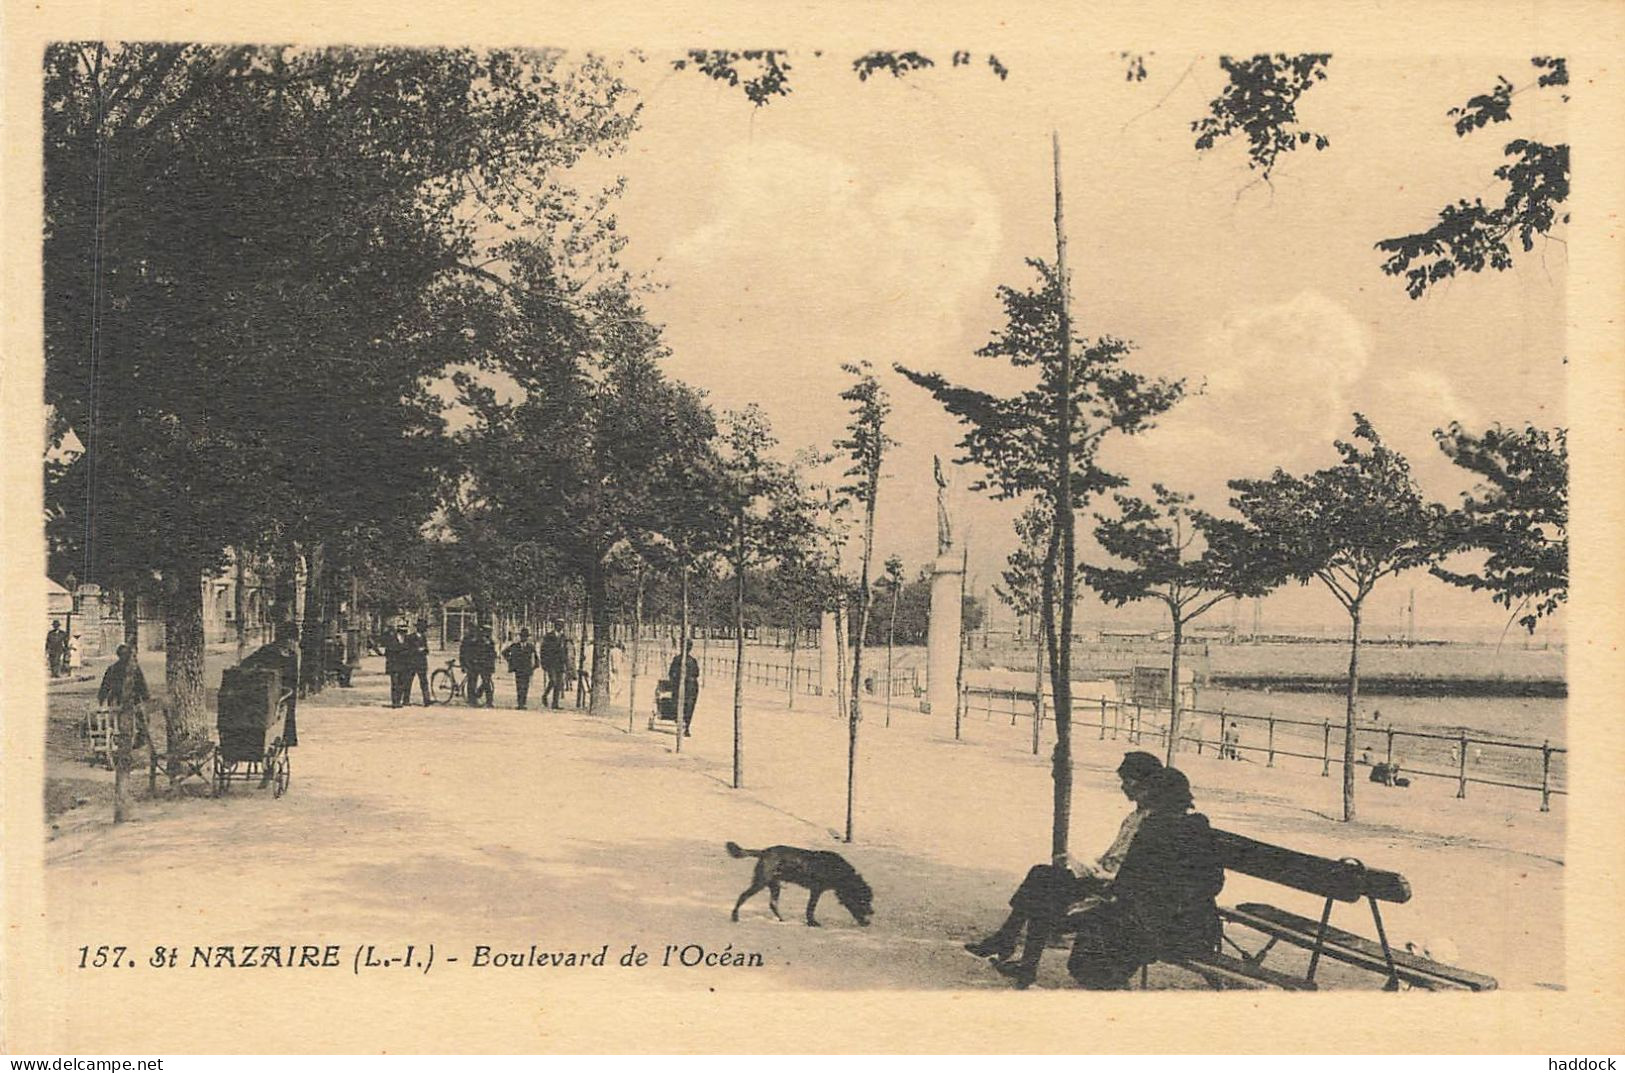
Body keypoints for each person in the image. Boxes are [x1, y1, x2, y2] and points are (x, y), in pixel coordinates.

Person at [964, 751, 1164, 977]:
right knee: (1041, 877)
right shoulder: (1133, 816)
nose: (1123, 788)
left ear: (1147, 783)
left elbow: (1135, 867)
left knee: (1042, 884)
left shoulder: (1154, 822)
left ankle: (1010, 946)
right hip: (1101, 879)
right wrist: (1089, 865)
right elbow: (1115, 856)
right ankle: (1012, 948)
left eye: (1128, 782)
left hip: (1114, 888)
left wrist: (1100, 873)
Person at [1059, 767, 1224, 990]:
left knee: (1096, 921)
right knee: (1108, 922)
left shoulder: (1152, 830)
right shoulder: (1199, 826)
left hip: (1160, 930)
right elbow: (1214, 882)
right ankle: (1110, 979)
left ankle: (1109, 983)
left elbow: (1125, 885)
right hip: (1199, 929)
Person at [241, 622, 301, 747]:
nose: (293, 643)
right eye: (291, 639)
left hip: (285, 690)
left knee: (286, 712)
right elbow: (247, 663)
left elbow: (294, 677)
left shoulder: (292, 655)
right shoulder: (269, 651)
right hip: (268, 689)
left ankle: (286, 737)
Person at [668, 640, 700, 736]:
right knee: (688, 707)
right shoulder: (692, 661)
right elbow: (697, 673)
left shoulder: (677, 659)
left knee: (681, 706)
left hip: (684, 687)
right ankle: (685, 726)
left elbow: (671, 673)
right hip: (690, 687)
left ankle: (683, 725)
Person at [461, 624, 497, 707]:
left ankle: (489, 701)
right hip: (476, 664)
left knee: (486, 683)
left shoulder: (490, 642)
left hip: (486, 666)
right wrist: (467, 663)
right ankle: (472, 700)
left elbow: (493, 655)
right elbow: (471, 653)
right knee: (473, 682)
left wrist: (492, 666)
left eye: (489, 632)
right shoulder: (476, 641)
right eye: (486, 631)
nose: (487, 633)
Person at [503, 628, 540, 709]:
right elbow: (504, 652)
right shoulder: (515, 646)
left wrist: (535, 666)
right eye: (522, 636)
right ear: (520, 637)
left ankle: (523, 703)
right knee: (519, 686)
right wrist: (511, 661)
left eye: (525, 636)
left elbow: (536, 657)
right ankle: (520, 703)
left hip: (527, 669)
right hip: (518, 669)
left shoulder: (530, 646)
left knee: (525, 686)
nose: (524, 638)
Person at [540, 622, 568, 710]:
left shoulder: (563, 637)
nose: (560, 627)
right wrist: (543, 663)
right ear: (555, 626)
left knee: (558, 684)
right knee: (553, 680)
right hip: (550, 663)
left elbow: (566, 650)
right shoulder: (548, 636)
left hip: (560, 663)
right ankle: (545, 695)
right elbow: (543, 650)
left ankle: (555, 703)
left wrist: (566, 662)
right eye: (559, 625)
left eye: (562, 626)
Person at [383, 621, 409, 708]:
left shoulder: (407, 639)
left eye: (405, 630)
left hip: (404, 665)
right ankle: (395, 701)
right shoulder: (391, 639)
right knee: (394, 683)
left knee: (402, 683)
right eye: (402, 630)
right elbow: (389, 652)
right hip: (394, 664)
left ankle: (399, 700)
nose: (403, 632)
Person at [408, 619, 433, 706]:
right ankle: (405, 700)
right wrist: (417, 650)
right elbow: (407, 650)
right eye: (423, 627)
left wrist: (424, 650)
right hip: (412, 663)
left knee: (424, 682)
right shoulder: (410, 637)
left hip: (422, 663)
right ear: (418, 628)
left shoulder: (423, 637)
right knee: (408, 681)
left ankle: (426, 700)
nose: (424, 629)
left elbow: (427, 650)